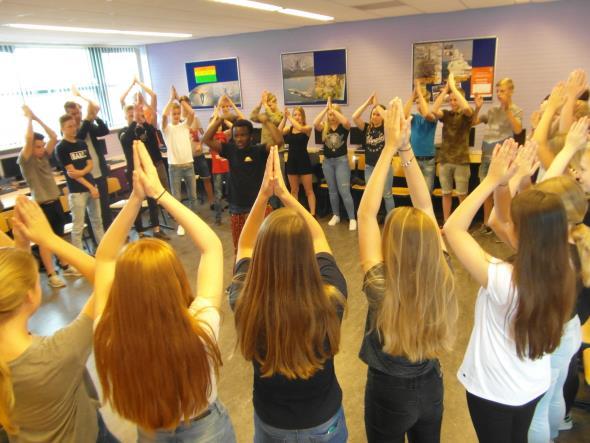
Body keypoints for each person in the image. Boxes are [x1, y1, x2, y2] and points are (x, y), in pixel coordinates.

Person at [93, 140, 236, 442]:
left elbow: (104, 258)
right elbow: (211, 246)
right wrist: (159, 193)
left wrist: (135, 200)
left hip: (150, 431)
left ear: (123, 288)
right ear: (176, 280)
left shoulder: (108, 335)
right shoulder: (200, 325)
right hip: (205, 430)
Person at [443, 140, 577, 443]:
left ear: (521, 234)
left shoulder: (504, 279)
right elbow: (499, 219)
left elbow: (453, 228)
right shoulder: (562, 265)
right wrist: (510, 180)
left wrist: (492, 180)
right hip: (531, 385)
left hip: (494, 392)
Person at [229, 146, 348, 442]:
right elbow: (319, 236)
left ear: (263, 253)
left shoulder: (245, 301)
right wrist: (284, 194)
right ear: (305, 253)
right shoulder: (331, 296)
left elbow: (244, 247)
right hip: (323, 420)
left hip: (272, 422)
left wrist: (263, 195)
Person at [358, 98, 457, 442]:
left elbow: (367, 215)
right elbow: (425, 204)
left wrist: (388, 149)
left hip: (388, 390)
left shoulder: (381, 286)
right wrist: (406, 150)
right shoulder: (441, 271)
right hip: (430, 384)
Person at [0, 195, 116, 442]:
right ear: (30, 296)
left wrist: (20, 248)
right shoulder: (57, 353)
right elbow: (108, 278)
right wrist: (49, 239)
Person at [202, 100, 284, 253]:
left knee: (264, 246)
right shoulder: (229, 149)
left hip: (259, 204)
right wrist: (219, 119)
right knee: (240, 247)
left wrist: (265, 121)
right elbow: (206, 139)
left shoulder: (259, 150)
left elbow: (279, 141)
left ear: (251, 136)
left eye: (243, 135)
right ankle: (243, 274)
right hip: (237, 205)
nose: (239, 139)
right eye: (236, 136)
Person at [17, 105, 74, 288]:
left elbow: (54, 137)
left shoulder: (43, 157)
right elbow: (28, 138)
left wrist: (38, 118)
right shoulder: (26, 161)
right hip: (42, 206)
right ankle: (52, 274)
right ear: (30, 148)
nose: (42, 149)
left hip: (55, 202)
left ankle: (64, 266)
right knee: (45, 241)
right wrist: (29, 119)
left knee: (59, 236)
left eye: (42, 146)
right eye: (38, 147)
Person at [472, 78, 523, 234]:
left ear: (511, 92)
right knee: (486, 191)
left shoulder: (515, 110)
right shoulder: (492, 111)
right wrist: (478, 108)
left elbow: (518, 130)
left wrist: (507, 110)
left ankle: (505, 224)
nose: (500, 94)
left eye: (503, 91)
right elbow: (472, 122)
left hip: (503, 159)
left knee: (502, 192)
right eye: (498, 91)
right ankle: (488, 224)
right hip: (487, 157)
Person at [119, 103, 170, 240]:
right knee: (137, 202)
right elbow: (126, 140)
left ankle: (156, 229)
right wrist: (135, 121)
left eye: (135, 115)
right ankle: (140, 232)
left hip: (146, 170)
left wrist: (143, 122)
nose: (134, 118)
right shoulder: (124, 132)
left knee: (152, 199)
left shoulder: (141, 130)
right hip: (134, 173)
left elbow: (152, 139)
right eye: (131, 115)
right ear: (125, 117)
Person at [55, 113, 105, 252]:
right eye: (69, 126)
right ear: (62, 128)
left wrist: (82, 172)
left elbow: (90, 164)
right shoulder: (61, 147)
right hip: (77, 192)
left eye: (74, 125)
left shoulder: (81, 143)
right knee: (78, 226)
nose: (73, 129)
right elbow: (72, 173)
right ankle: (80, 255)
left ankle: (103, 249)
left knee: (97, 221)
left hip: (91, 186)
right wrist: (90, 185)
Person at [65, 86, 112, 231]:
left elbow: (104, 130)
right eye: (73, 114)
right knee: (93, 215)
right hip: (87, 179)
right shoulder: (73, 136)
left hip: (100, 174)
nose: (78, 116)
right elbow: (80, 135)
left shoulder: (88, 126)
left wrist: (95, 117)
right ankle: (99, 241)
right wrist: (87, 118)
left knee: (105, 209)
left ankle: (111, 235)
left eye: (79, 112)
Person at [431, 72, 474, 222]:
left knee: (462, 194)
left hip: (461, 160)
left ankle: (462, 223)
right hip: (445, 160)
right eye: (452, 100)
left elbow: (467, 108)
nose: (453, 102)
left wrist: (454, 88)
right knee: (446, 193)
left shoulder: (467, 115)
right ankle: (447, 222)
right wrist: (445, 91)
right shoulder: (447, 114)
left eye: (456, 99)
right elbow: (433, 111)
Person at [313, 97, 356, 230]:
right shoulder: (325, 128)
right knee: (332, 191)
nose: (331, 116)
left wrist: (334, 110)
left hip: (341, 162)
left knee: (344, 191)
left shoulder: (344, 127)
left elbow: (347, 121)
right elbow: (315, 123)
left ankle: (352, 218)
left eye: (333, 114)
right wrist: (326, 109)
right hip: (327, 163)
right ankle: (336, 215)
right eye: (329, 115)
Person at [161, 86, 198, 236]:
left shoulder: (184, 126)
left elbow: (192, 113)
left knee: (193, 197)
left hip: (188, 165)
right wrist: (171, 99)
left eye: (177, 113)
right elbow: (163, 116)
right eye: (173, 113)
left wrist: (181, 100)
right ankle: (181, 224)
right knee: (177, 198)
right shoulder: (166, 129)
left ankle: (194, 223)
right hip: (174, 167)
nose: (176, 115)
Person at [353, 92, 394, 214]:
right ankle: (371, 219)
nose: (375, 116)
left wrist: (377, 105)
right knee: (370, 195)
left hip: (384, 168)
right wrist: (368, 103)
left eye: (378, 114)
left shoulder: (386, 128)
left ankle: (390, 221)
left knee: (387, 195)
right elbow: (355, 117)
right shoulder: (367, 128)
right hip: (369, 167)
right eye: (373, 114)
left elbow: (388, 117)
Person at [279, 106, 316, 216]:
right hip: (291, 161)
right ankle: (294, 213)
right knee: (294, 190)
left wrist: (290, 117)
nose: (297, 117)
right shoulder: (289, 129)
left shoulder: (307, 128)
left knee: (308, 190)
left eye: (299, 115)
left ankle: (313, 214)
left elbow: (299, 128)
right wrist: (284, 118)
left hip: (303, 161)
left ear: (303, 116)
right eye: (295, 114)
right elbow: (278, 132)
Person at [179, 95, 215, 208]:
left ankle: (212, 202)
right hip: (185, 157)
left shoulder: (195, 119)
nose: (185, 108)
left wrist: (200, 144)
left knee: (207, 178)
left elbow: (203, 134)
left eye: (187, 105)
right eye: (183, 106)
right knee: (189, 182)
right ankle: (192, 206)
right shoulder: (178, 121)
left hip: (198, 155)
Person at [404, 80, 437, 192]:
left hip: (428, 161)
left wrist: (419, 91)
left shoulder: (432, 116)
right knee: (415, 192)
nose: (418, 105)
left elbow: (426, 113)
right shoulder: (414, 118)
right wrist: (413, 95)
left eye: (421, 102)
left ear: (427, 102)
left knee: (427, 193)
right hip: (414, 159)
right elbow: (404, 114)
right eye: (416, 103)